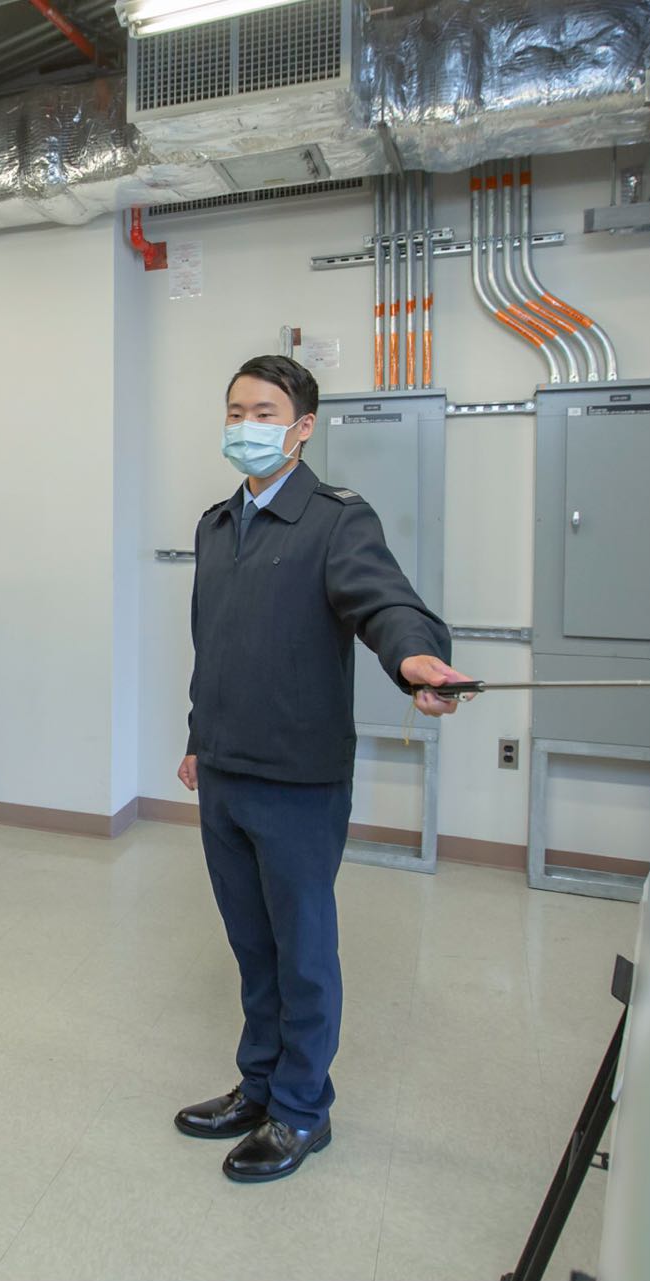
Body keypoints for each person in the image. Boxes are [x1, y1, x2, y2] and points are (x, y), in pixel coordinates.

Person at [175, 355, 470, 1184]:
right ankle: (259, 1085)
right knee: (251, 946)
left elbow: (387, 602)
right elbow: (213, 644)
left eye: (265, 411)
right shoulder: (215, 524)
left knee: (301, 952)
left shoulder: (336, 519)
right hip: (224, 768)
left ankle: (303, 1108)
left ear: (304, 427)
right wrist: (199, 736)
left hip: (298, 778)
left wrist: (414, 657)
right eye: (236, 409)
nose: (246, 425)